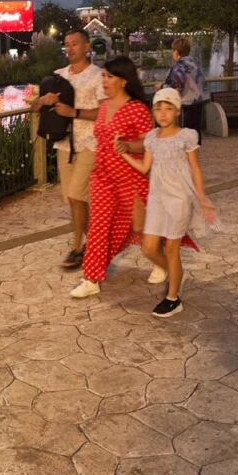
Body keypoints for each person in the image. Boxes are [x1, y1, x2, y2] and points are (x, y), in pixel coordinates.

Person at [116, 87, 216, 317]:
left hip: (179, 199)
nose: (162, 113)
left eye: (168, 108)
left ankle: (173, 298)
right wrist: (124, 153)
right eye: (158, 108)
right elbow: (145, 167)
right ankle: (175, 274)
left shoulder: (186, 136)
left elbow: (196, 169)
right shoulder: (152, 138)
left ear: (177, 111)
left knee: (172, 249)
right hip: (157, 200)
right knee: (149, 248)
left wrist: (202, 199)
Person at [69, 56, 154, 298]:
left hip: (129, 178)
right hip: (103, 177)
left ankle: (161, 259)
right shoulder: (104, 106)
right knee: (98, 226)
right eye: (103, 76)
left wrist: (128, 145)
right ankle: (91, 278)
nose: (104, 80)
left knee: (140, 226)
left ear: (124, 80)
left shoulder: (137, 109)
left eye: (110, 76)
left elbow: (149, 143)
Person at [31, 29, 105, 269]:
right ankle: (93, 246)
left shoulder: (98, 76)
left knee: (76, 195)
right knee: (73, 201)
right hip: (64, 143)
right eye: (67, 44)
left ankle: (79, 247)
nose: (70, 48)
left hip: (89, 143)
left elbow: (105, 112)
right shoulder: (57, 76)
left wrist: (74, 112)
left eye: (75, 43)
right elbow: (34, 108)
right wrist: (44, 101)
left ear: (87, 47)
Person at [162, 36, 206, 142]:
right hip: (198, 103)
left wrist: (162, 87)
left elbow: (176, 87)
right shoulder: (195, 65)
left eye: (173, 50)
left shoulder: (179, 67)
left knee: (184, 136)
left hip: (186, 105)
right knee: (194, 136)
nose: (172, 53)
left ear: (177, 52)